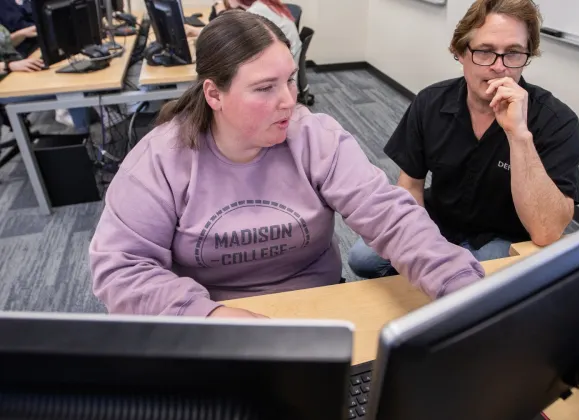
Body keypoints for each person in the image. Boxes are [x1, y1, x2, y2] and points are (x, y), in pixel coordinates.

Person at [88, 11, 484, 318]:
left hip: (317, 308)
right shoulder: (162, 158)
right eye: (264, 88)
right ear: (214, 94)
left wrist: (458, 283)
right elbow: (121, 269)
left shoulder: (314, 137)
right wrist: (209, 316)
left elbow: (390, 216)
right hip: (215, 322)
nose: (288, 100)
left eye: (290, 81)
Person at [348, 0, 579, 279]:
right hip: (439, 220)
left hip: (506, 237)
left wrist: (519, 135)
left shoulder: (557, 121)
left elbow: (546, 231)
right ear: (460, 52)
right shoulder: (431, 103)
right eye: (485, 52)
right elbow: (410, 186)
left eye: (514, 53)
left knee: (475, 277)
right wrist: (423, 243)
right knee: (362, 258)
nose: (499, 67)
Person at [0, 24, 89, 133]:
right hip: (4, 86)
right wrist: (8, 65)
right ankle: (86, 135)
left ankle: (86, 129)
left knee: (67, 76)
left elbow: (6, 45)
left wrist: (22, 34)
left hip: (16, 72)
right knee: (68, 88)